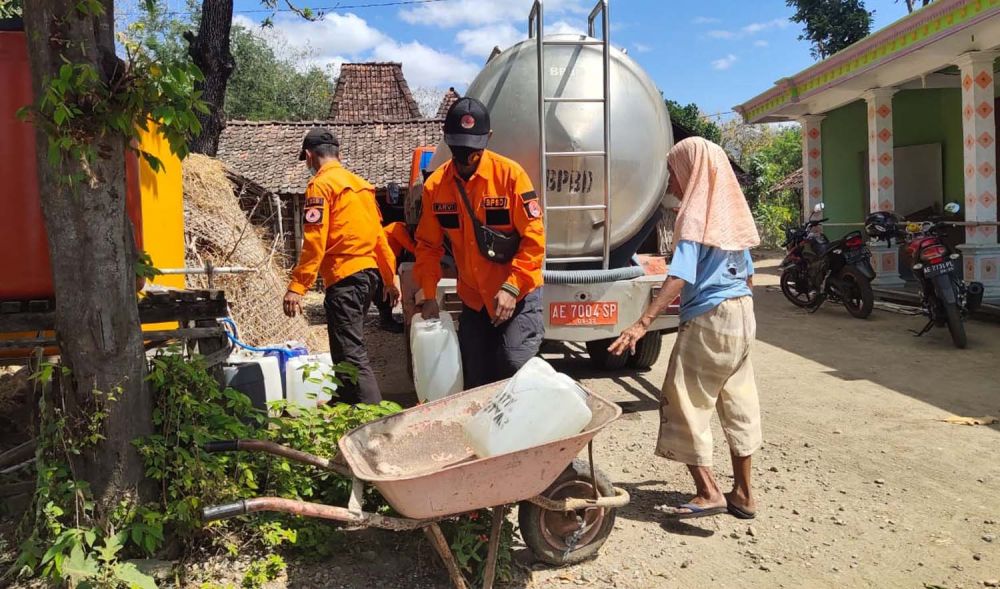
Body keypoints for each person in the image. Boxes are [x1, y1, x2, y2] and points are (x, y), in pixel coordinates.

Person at [609, 136, 762, 520]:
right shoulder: (729, 213)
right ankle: (743, 493)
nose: (672, 183)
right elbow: (750, 276)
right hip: (743, 313)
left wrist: (642, 322)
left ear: (690, 171)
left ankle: (708, 491)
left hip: (710, 316)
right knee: (738, 401)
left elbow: (680, 274)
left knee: (683, 398)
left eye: (673, 172)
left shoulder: (694, 215)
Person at [413, 97, 546, 388]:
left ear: (488, 139)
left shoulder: (511, 176)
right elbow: (427, 246)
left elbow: (534, 240)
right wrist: (427, 294)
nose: (465, 156)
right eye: (458, 147)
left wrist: (512, 288)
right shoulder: (436, 187)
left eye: (472, 148)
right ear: (447, 140)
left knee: (514, 367)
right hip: (474, 299)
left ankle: (527, 431)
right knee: (474, 378)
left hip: (517, 295)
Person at [282, 128, 399, 405]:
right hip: (368, 275)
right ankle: (344, 407)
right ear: (340, 154)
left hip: (345, 277)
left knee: (351, 353)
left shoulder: (320, 186)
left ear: (309, 156)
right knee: (343, 350)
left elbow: (314, 240)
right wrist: (389, 278)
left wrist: (298, 286)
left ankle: (375, 422)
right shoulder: (361, 186)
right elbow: (379, 237)